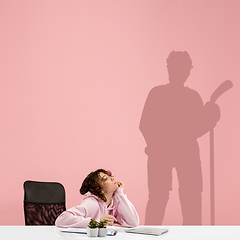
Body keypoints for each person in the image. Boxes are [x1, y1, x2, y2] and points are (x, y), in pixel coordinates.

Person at [139, 51, 220, 225]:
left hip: (184, 154)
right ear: (169, 68)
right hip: (164, 154)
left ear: (188, 71)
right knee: (158, 200)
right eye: (175, 67)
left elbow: (196, 129)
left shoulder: (191, 97)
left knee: (190, 199)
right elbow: (145, 125)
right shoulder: (158, 94)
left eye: (183, 68)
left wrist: (210, 117)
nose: (180, 72)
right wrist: (156, 146)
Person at [55, 169, 139, 228]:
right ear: (98, 189)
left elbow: (133, 223)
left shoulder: (112, 205)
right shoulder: (92, 204)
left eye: (110, 176)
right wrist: (97, 222)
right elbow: (61, 219)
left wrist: (119, 193)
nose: (112, 178)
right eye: (106, 178)